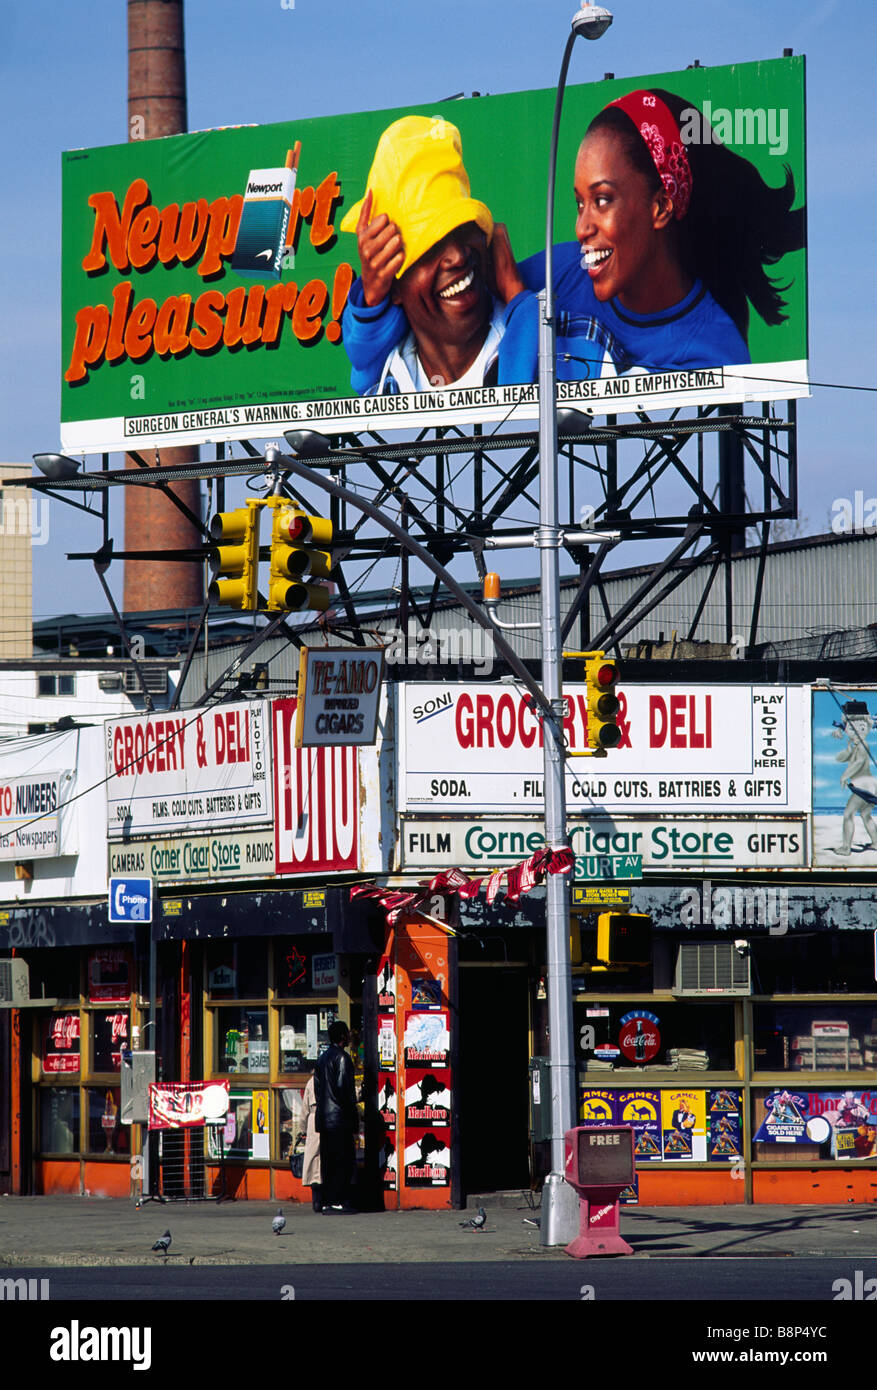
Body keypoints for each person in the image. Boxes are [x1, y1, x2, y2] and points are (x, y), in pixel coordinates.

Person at [343, 89, 805, 381]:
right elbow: (420, 328)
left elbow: (521, 392)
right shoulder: (560, 272)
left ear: (661, 206)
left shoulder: (715, 348)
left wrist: (522, 303)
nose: (582, 226)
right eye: (578, 202)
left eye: (602, 200)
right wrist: (374, 294)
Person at [340, 115, 623, 394]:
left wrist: (520, 303)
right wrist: (372, 299)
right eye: (428, 249)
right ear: (394, 289)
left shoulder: (583, 351)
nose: (457, 256)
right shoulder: (382, 386)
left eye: (463, 229)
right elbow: (363, 354)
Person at [313, 1020, 358, 1213]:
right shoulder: (342, 1058)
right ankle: (340, 1201)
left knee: (329, 1162)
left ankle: (329, 1200)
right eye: (347, 1033)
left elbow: (317, 1088)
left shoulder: (322, 1058)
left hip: (324, 1119)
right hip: (339, 1119)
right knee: (343, 1161)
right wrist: (354, 1104)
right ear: (342, 1037)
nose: (349, 1036)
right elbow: (342, 1088)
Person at [296, 1074, 322, 1212]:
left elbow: (305, 1108)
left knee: (313, 1159)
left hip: (313, 1121)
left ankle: (316, 1199)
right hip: (330, 1118)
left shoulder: (312, 1081)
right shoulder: (333, 1076)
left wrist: (302, 1129)